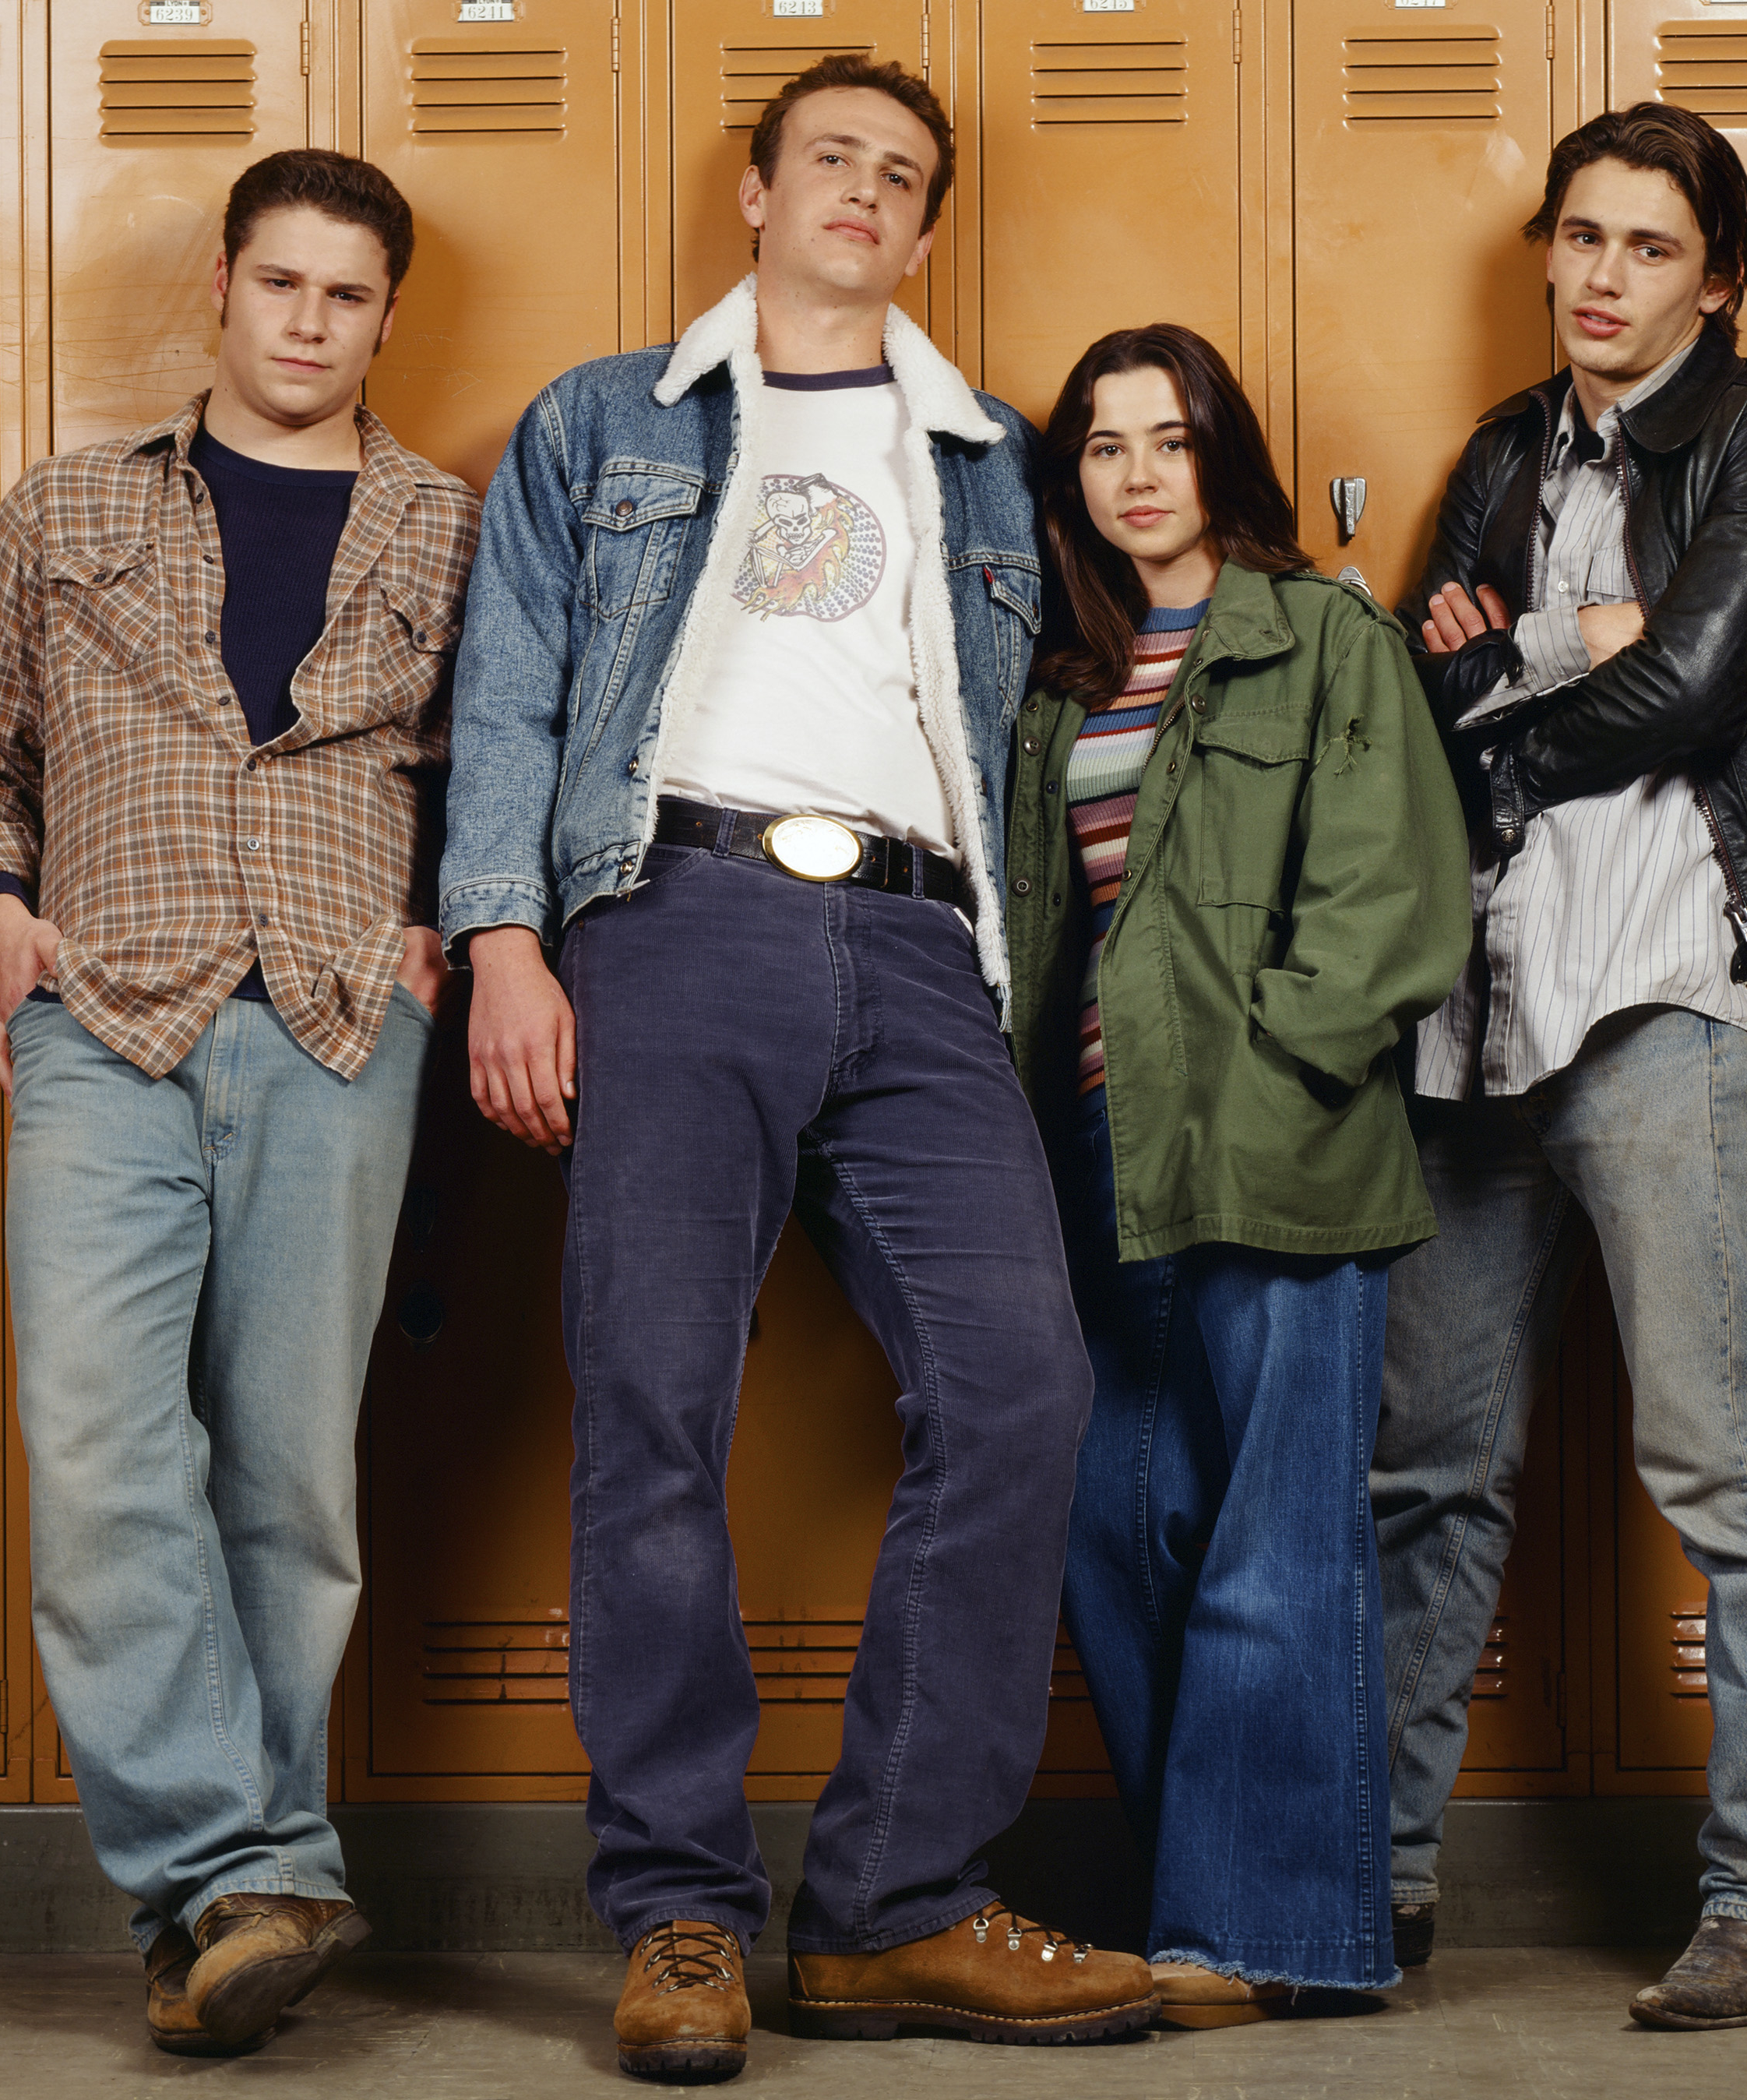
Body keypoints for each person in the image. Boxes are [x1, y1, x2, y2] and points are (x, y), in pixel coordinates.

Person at [438, 54, 1154, 2084]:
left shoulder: (991, 454)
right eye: (829, 158)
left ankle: (897, 1911)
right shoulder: (604, 419)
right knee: (655, 1415)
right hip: (679, 914)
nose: (864, 190)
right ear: (755, 198)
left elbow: (1094, 669)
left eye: (901, 174)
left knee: (1024, 1386)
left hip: (927, 948)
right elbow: (509, 696)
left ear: (924, 228)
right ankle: (679, 1917)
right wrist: (508, 937)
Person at [0, 151, 477, 2057]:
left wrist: (453, 938)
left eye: (347, 295)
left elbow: (506, 775)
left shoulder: (444, 525)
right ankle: (248, 1860)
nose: (309, 321)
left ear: (385, 316)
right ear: (221, 289)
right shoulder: (65, 506)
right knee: (99, 1455)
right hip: (101, 1020)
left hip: (334, 1021)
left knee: (288, 1479)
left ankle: (211, 1914)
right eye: (281, 283)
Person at [1372, 103, 1747, 2029]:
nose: (1602, 277)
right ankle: (1383, 1873)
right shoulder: (1509, 449)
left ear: (1720, 279)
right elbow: (1412, 694)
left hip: (1672, 979)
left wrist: (1526, 663)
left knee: (1724, 1458)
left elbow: (1699, 681)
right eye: (1579, 238)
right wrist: (1549, 635)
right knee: (1423, 1468)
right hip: (1480, 993)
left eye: (1648, 249)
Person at [1005, 324, 1472, 2023]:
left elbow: (1397, 896)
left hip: (1276, 1143)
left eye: (1171, 438)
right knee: (1113, 1528)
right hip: (1094, 1154)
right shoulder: (1066, 676)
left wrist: (1273, 1068)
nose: (1138, 473)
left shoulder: (1321, 635)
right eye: (1104, 446)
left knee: (1276, 1542)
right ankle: (1201, 1900)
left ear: (1227, 456)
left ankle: (1275, 1934)